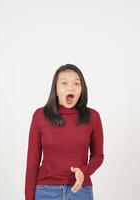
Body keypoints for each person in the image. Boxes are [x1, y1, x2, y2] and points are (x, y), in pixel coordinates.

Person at [25, 64, 104, 200]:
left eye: (77, 83)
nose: (71, 87)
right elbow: (32, 162)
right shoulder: (40, 116)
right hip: (46, 192)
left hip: (81, 191)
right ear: (55, 89)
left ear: (82, 89)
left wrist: (84, 172)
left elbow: (98, 156)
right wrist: (28, 198)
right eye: (64, 83)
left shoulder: (93, 117)